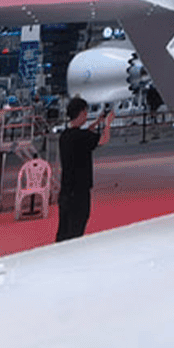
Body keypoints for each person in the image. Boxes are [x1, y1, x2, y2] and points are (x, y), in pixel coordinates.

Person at [54, 97, 113, 241]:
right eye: (85, 113)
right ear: (80, 113)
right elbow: (103, 139)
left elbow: (84, 134)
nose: (86, 116)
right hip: (79, 192)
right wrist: (107, 124)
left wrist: (96, 123)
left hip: (66, 191)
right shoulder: (82, 137)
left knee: (64, 230)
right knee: (76, 229)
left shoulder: (65, 136)